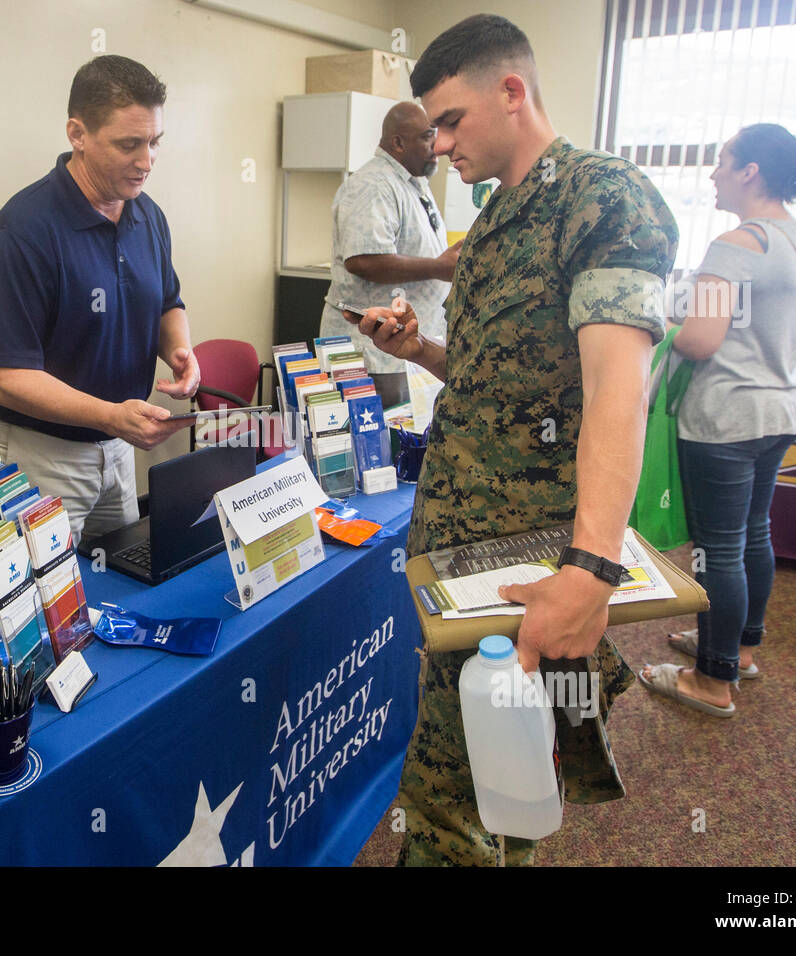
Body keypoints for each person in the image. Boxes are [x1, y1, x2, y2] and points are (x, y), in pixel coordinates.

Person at [354, 14, 678, 865]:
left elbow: (618, 385)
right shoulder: (494, 220)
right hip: (462, 558)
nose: (440, 144)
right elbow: (498, 376)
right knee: (508, 786)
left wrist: (591, 570)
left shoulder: (602, 198)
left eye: (452, 121)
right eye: (432, 130)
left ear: (512, 91)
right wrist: (418, 349)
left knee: (454, 806)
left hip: (531, 566)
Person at [0, 56, 199, 544]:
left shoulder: (147, 215)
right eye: (128, 144)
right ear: (77, 133)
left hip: (116, 447)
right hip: (38, 457)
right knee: (43, 611)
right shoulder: (22, 232)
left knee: (117, 582)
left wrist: (180, 350)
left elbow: (166, 302)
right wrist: (111, 415)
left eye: (154, 142)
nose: (146, 161)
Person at [639, 124, 796, 717]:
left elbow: (699, 339)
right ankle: (738, 649)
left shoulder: (737, 243)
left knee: (717, 549)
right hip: (781, 409)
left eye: (723, 162)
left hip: (727, 419)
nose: (714, 174)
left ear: (750, 172)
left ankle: (711, 679)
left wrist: (662, 321)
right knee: (753, 533)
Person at [319, 102, 461, 405]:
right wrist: (439, 267)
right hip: (372, 358)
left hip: (403, 353)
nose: (437, 146)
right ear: (398, 142)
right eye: (427, 136)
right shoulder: (373, 184)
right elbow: (364, 260)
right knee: (377, 448)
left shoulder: (411, 182)